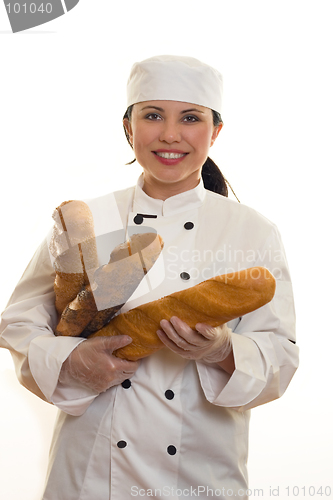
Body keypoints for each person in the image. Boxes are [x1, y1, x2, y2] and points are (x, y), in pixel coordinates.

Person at [0, 55, 299, 500]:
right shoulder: (85, 220)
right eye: (153, 115)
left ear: (215, 132)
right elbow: (19, 323)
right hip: (91, 477)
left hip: (200, 475)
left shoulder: (252, 231)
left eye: (191, 118)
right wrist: (70, 361)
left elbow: (281, 358)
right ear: (128, 127)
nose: (170, 134)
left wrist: (222, 350)